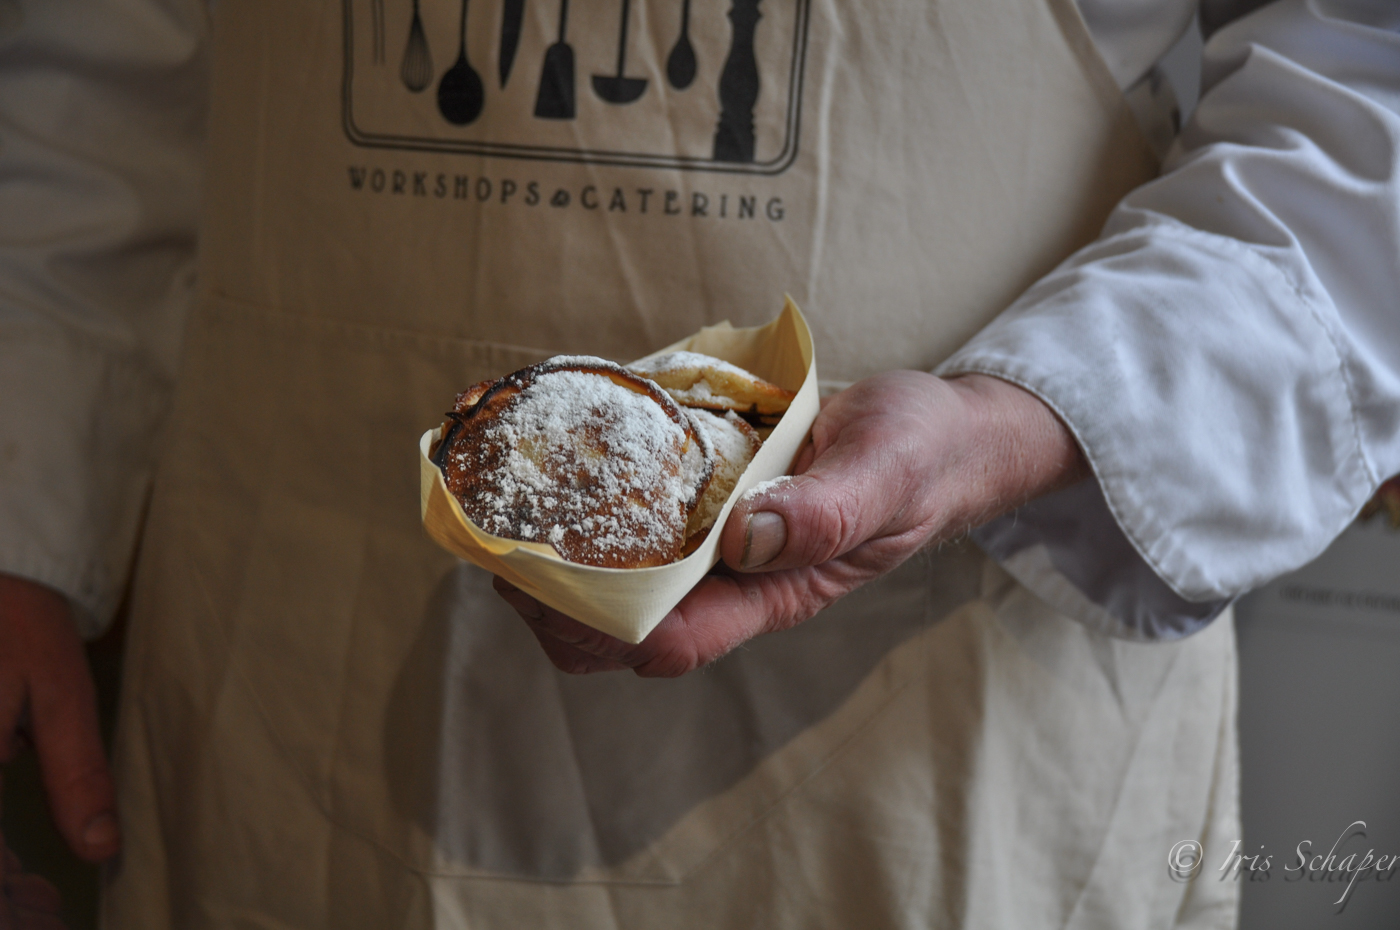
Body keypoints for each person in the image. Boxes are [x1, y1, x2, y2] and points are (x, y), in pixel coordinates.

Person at [1, 0, 1397, 926]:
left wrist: (1018, 420)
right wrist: (22, 497)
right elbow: (108, 63)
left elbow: (1368, 91)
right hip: (290, 664)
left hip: (935, 717)